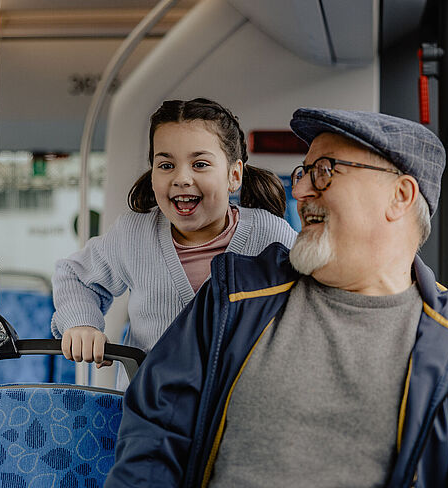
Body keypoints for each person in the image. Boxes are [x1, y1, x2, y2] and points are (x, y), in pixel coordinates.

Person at [105, 109, 448, 487]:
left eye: (324, 171)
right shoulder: (234, 296)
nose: (299, 190)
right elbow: (153, 438)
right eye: (303, 172)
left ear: (401, 196)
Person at [50, 98, 296, 385]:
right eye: (166, 165)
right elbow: (75, 275)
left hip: (234, 416)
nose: (181, 178)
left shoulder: (269, 235)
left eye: (200, 164)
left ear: (234, 175)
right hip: (148, 413)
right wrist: (82, 323)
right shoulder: (135, 232)